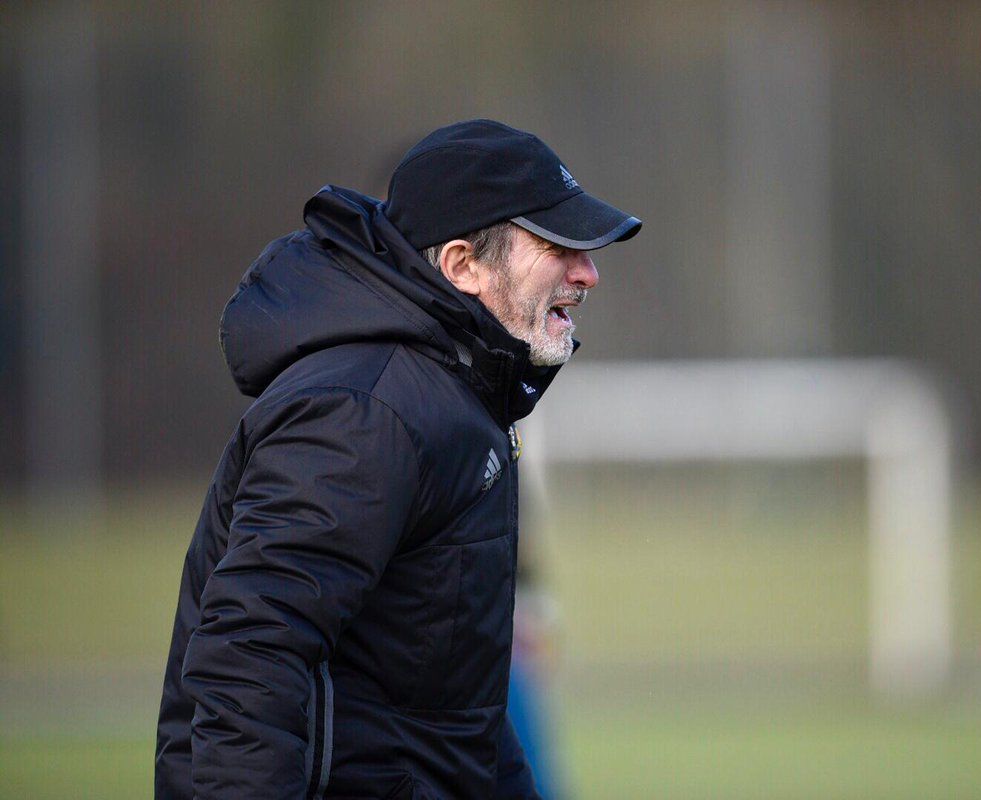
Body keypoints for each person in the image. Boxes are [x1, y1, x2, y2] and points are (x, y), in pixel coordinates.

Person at [154, 119, 641, 800]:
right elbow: (249, 657)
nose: (588, 271)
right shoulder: (366, 411)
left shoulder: (456, 398)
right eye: (557, 246)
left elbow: (453, 717)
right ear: (462, 265)